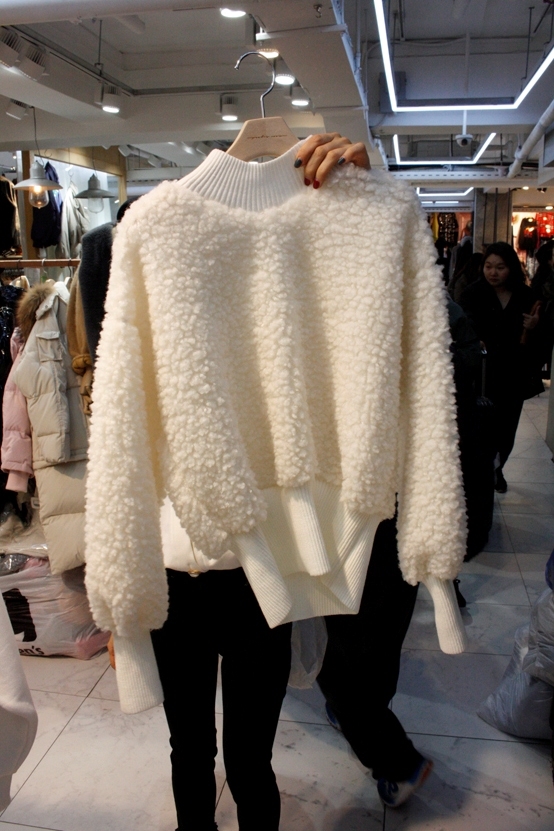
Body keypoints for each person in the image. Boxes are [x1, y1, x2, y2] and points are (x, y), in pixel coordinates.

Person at [104, 133, 373, 831]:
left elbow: (362, 337)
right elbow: (123, 416)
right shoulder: (155, 227)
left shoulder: (300, 234)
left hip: (266, 559)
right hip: (179, 565)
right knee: (193, 749)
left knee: (249, 756)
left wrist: (363, 202)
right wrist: (118, 579)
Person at [459, 241, 542, 494]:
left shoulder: (525, 296)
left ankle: (498, 467)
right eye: (488, 266)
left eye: (500, 267)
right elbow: (462, 329)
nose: (493, 272)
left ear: (511, 268)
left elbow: (540, 337)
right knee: (483, 427)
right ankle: (485, 473)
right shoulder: (472, 294)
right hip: (483, 373)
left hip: (514, 372)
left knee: (507, 428)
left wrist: (534, 326)